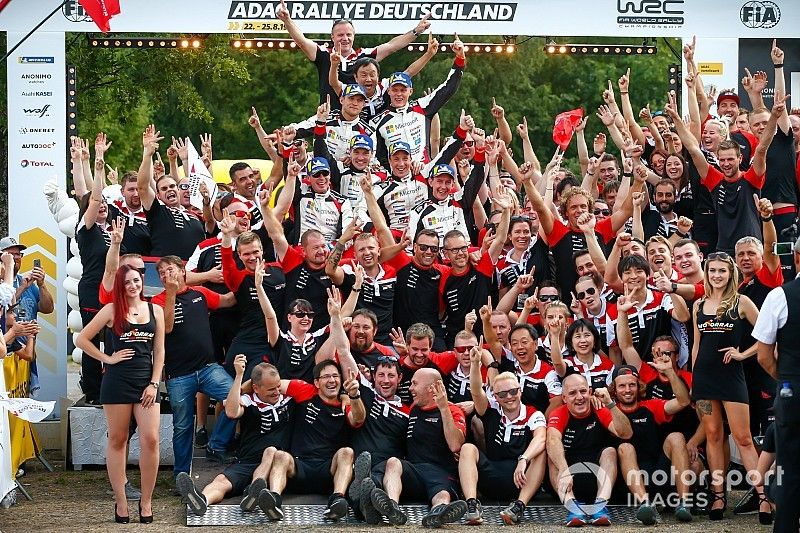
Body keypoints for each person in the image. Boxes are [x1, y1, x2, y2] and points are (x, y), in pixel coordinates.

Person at [75, 264, 164, 524]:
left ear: (142, 282)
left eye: (136, 281)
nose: (133, 286)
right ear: (121, 286)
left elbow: (159, 352)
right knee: (118, 439)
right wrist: (107, 359)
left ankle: (146, 502)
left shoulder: (155, 310)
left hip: (146, 384)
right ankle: (121, 503)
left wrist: (154, 384)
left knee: (150, 439)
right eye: (127, 283)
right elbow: (82, 340)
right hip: (116, 383)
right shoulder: (112, 310)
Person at [690, 251, 766, 520]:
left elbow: (767, 336)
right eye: (712, 271)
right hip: (704, 379)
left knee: (743, 438)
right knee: (712, 437)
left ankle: (763, 497)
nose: (717, 275)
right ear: (707, 272)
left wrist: (743, 354)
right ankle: (719, 497)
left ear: (730, 273)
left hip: (732, 377)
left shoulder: (741, 302)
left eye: (722, 270)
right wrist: (694, 379)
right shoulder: (698, 305)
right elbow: (696, 345)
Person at [151, 256, 238, 472]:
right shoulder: (157, 301)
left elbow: (227, 300)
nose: (165, 275)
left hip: (208, 368)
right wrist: (171, 293)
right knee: (182, 426)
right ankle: (181, 474)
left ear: (183, 272)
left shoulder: (200, 293)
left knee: (237, 400)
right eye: (161, 273)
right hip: (179, 375)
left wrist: (248, 281)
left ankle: (216, 446)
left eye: (169, 270)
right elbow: (168, 327)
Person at [177, 358, 294, 518]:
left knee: (271, 451)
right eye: (270, 389)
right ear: (256, 388)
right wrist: (239, 376)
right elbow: (231, 412)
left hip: (277, 464)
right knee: (221, 480)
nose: (276, 392)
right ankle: (202, 500)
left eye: (278, 387)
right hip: (248, 460)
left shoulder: (288, 399)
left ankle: (254, 491)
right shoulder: (248, 401)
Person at [277, 0, 431, 106]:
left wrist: (416, 31)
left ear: (354, 36)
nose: (345, 39)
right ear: (332, 37)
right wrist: (287, 21)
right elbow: (303, 42)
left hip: (358, 118)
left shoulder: (363, 56)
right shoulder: (324, 54)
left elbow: (392, 46)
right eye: (340, 35)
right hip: (330, 118)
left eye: (348, 35)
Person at [371, 368, 468, 528]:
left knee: (442, 494)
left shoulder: (453, 410)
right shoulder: (414, 409)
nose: (410, 388)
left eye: (415, 384)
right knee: (394, 462)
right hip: (414, 471)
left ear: (432, 388)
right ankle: (392, 507)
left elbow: (455, 445)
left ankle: (439, 513)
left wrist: (444, 408)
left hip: (441, 472)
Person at [460, 349, 547, 525]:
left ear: (520, 391)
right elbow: (476, 391)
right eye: (502, 394)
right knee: (467, 448)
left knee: (541, 452)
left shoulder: (533, 414)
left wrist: (523, 459)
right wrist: (476, 365)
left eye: (513, 391)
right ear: (496, 397)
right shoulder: (491, 409)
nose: (509, 397)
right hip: (491, 474)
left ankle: (519, 507)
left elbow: (541, 437)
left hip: (521, 479)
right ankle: (472, 506)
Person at [753, 236, 800, 532]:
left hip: (792, 390)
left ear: (795, 258)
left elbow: (763, 355)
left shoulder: (780, 296)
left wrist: (785, 379)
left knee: (790, 468)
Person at [610, 364, 693, 523]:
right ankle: (645, 504)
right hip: (629, 484)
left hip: (658, 474)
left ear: (639, 386)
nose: (627, 390)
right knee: (625, 447)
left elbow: (683, 401)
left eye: (632, 385)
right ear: (614, 389)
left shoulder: (650, 406)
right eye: (622, 386)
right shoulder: (609, 410)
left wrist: (669, 372)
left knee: (676, 437)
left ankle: (684, 503)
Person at [546, 374, 633, 526]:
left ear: (590, 392)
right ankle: (573, 508)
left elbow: (626, 433)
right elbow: (552, 440)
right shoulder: (559, 413)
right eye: (572, 393)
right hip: (568, 481)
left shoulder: (599, 408)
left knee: (610, 451)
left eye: (583, 391)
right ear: (564, 398)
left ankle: (600, 506)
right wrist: (564, 470)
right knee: (552, 456)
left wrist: (610, 404)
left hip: (599, 480)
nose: (579, 397)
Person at [371, 37, 465, 166]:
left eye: (403, 90)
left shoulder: (422, 106)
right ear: (388, 91)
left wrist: (460, 58)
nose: (399, 94)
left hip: (424, 174)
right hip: (397, 180)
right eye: (395, 90)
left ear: (410, 91)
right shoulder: (377, 122)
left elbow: (448, 88)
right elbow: (376, 158)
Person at [136, 125, 205, 259]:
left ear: (179, 190)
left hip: (195, 273)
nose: (169, 190)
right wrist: (147, 154)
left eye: (172, 186)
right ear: (158, 195)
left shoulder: (195, 213)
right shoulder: (158, 211)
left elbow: (203, 189)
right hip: (165, 271)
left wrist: (184, 160)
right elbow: (142, 187)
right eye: (164, 188)